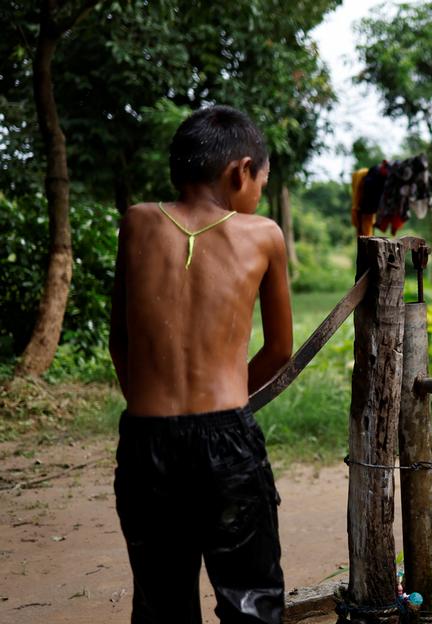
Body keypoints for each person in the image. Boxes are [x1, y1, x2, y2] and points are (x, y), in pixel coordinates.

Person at [109, 105, 293, 624]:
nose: (258, 191)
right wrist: (230, 398)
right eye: (261, 179)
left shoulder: (137, 221)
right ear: (240, 171)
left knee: (161, 602)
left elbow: (118, 338)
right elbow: (280, 350)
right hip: (227, 443)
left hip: (147, 439)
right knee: (251, 600)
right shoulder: (263, 234)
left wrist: (151, 398)